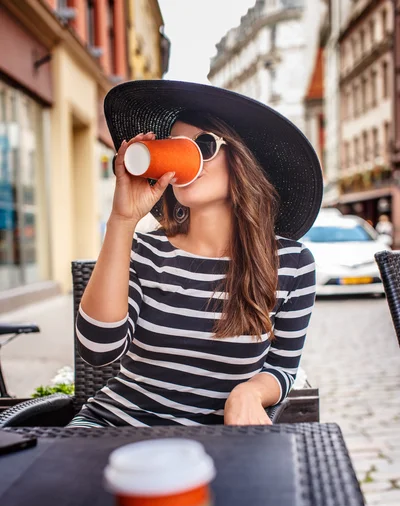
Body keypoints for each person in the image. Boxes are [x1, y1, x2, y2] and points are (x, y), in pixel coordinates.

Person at [68, 80, 323, 428]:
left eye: (203, 145)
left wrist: (247, 394)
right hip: (112, 428)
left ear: (243, 160)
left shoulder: (292, 265)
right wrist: (123, 221)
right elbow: (98, 351)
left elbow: (282, 368)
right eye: (175, 147)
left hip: (215, 446)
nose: (186, 159)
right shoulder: (144, 252)